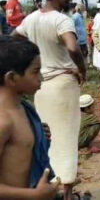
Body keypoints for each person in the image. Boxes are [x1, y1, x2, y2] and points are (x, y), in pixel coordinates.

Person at [13, 0, 86, 200]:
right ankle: (67, 192)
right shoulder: (62, 20)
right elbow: (73, 48)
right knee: (66, 136)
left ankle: (47, 186)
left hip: (40, 85)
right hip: (62, 84)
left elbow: (14, 37)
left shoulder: (31, 19)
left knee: (46, 136)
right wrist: (82, 69)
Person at [0, 35, 58, 199]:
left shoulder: (23, 109)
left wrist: (37, 134)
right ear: (12, 78)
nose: (41, 78)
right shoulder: (4, 121)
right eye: (35, 72)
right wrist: (33, 195)